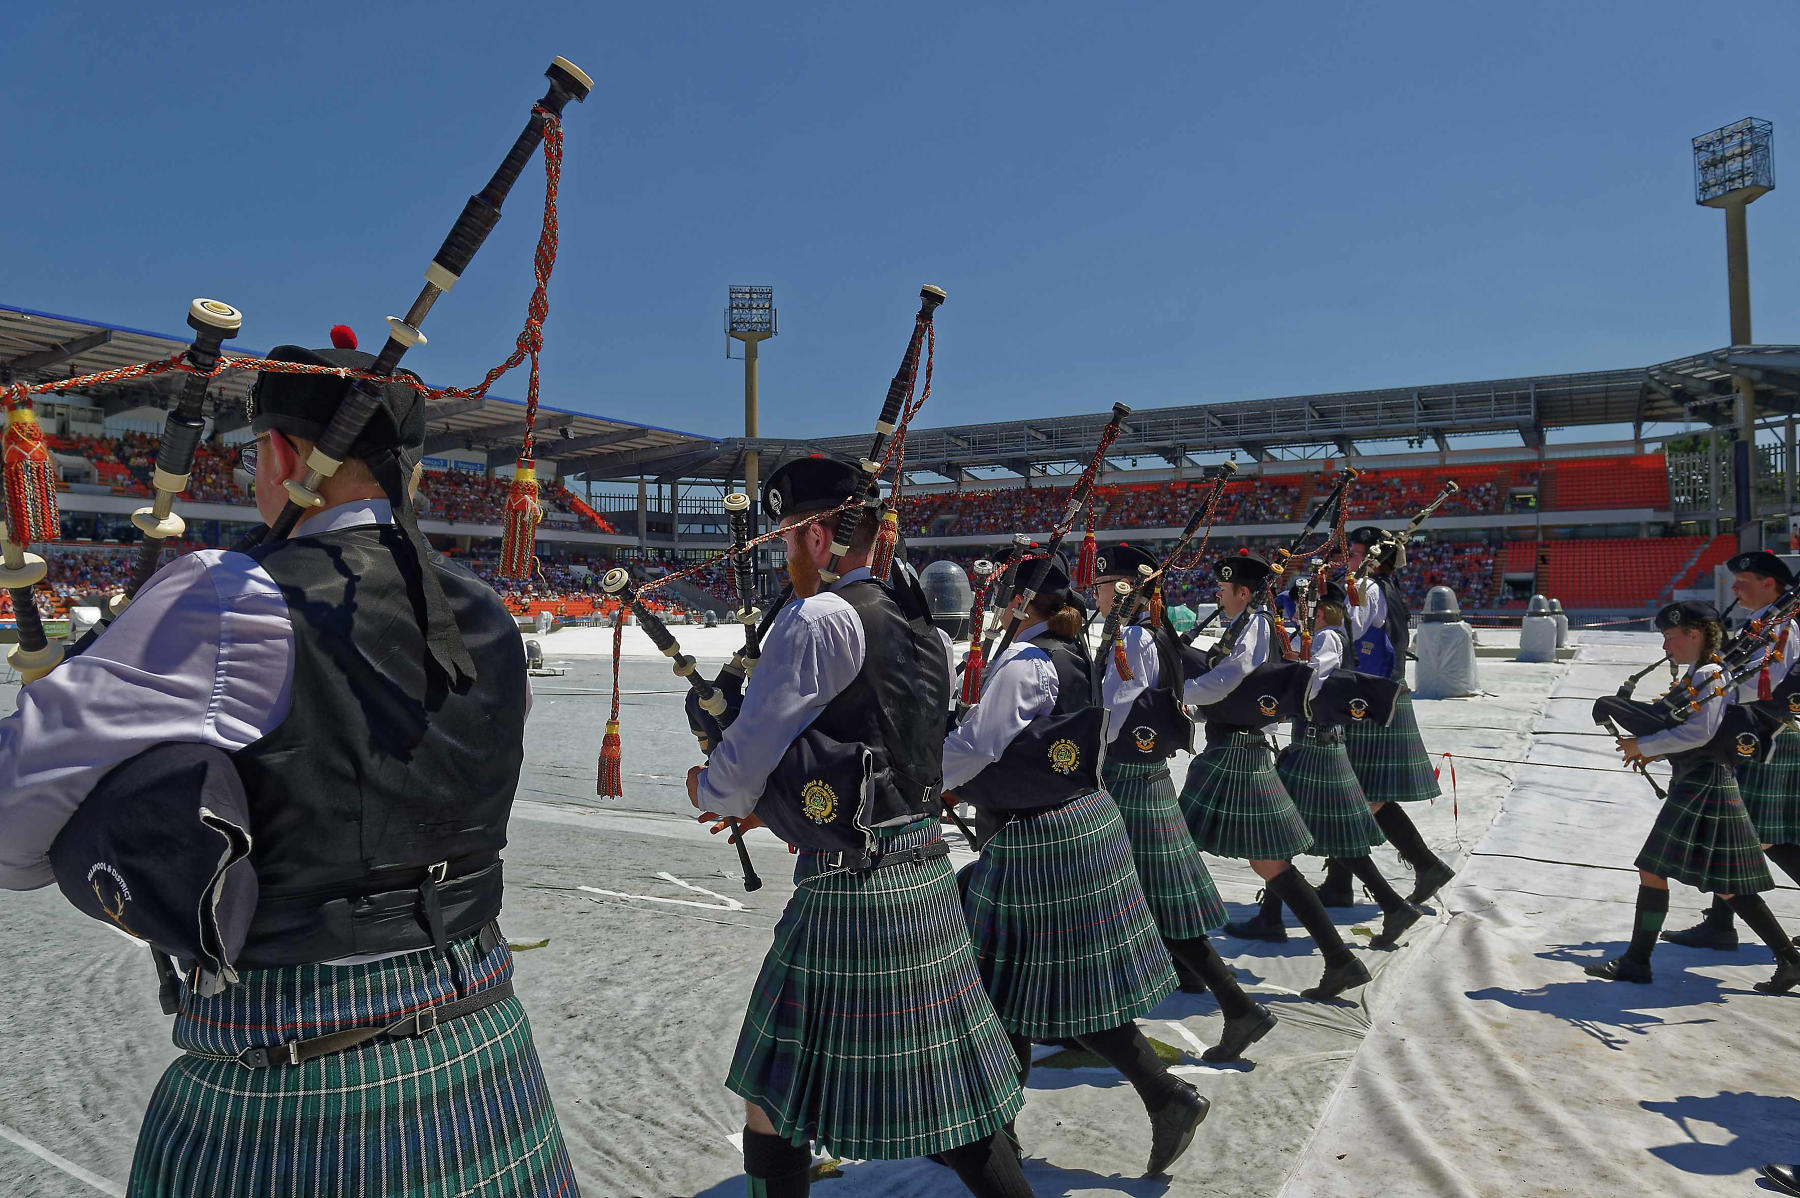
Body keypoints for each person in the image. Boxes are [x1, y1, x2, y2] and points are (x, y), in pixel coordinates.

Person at [0, 331, 578, 1195]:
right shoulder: (488, 614)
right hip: (483, 1036)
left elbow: (12, 825)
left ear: (281, 451)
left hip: (302, 1061)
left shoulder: (229, 593)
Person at [688, 455, 1032, 1198]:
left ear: (818, 535)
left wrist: (711, 786)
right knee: (952, 1097)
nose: (784, 550)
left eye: (786, 534)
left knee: (772, 1093)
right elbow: (883, 751)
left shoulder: (818, 618)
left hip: (853, 885)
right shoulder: (920, 625)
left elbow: (747, 759)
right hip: (922, 868)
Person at [944, 550, 1209, 1177]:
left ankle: (999, 1132)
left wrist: (924, 776)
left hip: (1035, 838)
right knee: (1023, 989)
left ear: (1019, 603)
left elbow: (978, 745)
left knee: (1005, 985)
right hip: (1073, 826)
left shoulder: (1026, 661)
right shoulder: (1072, 653)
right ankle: (1007, 1127)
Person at [1092, 542, 1276, 1061]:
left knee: (1147, 895)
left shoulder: (1133, 636)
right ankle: (1211, 990)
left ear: (1123, 588)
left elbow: (1112, 708)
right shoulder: (1145, 632)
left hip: (1129, 774)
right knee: (1152, 895)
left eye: (1105, 586)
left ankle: (1237, 1007)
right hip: (1140, 774)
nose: (1099, 595)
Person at [1178, 552, 1371, 1000]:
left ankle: (1185, 961)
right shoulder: (1251, 621)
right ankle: (1339, 958)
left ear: (1243, 592)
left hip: (1237, 751)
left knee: (1170, 849)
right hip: (1236, 748)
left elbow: (1232, 675)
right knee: (1269, 863)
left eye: (1224, 590)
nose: (1218, 596)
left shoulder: (1256, 623)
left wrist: (1182, 693)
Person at [1587, 599, 1800, 991]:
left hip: (1704, 782)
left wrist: (1645, 746)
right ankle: (1790, 959)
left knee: (1653, 869)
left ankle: (1636, 962)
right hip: (1701, 779)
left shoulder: (1710, 672)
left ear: (1694, 634)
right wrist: (1652, 746)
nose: (1666, 645)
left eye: (1671, 636)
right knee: (1728, 884)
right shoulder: (1700, 674)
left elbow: (1701, 733)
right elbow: (1692, 731)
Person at [1230, 575, 1427, 950]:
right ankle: (1274, 916)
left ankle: (1389, 905)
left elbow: (1313, 683)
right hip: (1318, 745)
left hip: (1317, 747)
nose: (1297, 615)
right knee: (1308, 833)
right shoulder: (1329, 637)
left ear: (1318, 611)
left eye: (1303, 609)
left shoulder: (1328, 638)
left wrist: (1282, 680)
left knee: (1285, 828)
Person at [1661, 551, 1800, 951]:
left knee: (1758, 835)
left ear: (1769, 584)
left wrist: (1700, 695)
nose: (1735, 589)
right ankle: (1720, 926)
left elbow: (1762, 687)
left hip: (1767, 735)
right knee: (1743, 833)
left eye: (1744, 581)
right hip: (1752, 734)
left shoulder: (1782, 627)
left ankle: (1723, 927)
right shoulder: (1766, 623)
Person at [1319, 527, 1455, 909]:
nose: (1348, 559)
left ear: (1373, 557)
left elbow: (1346, 630)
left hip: (1368, 700)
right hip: (1375, 696)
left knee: (1357, 796)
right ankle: (1339, 884)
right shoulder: (1382, 587)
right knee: (1354, 794)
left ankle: (1427, 865)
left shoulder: (1369, 589)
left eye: (1356, 552)